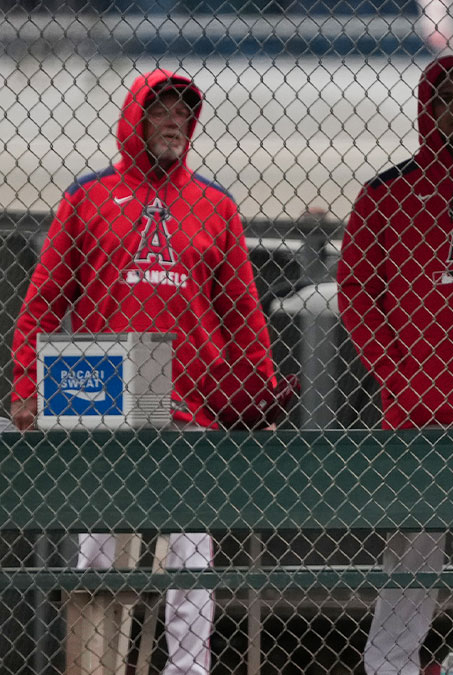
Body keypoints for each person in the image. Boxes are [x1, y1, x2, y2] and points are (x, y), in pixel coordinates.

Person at [10, 69, 282, 675]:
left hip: (190, 405)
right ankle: (93, 668)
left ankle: (188, 672)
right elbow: (44, 300)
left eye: (184, 113)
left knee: (192, 565)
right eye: (160, 110)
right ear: (136, 118)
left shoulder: (216, 206)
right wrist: (28, 386)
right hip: (104, 394)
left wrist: (258, 398)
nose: (173, 122)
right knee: (98, 560)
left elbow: (243, 315)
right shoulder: (88, 197)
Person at [337, 56, 453, 675]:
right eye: (443, 97)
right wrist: (398, 377)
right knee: (410, 553)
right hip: (414, 413)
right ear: (427, 106)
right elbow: (355, 293)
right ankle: (389, 666)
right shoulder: (385, 193)